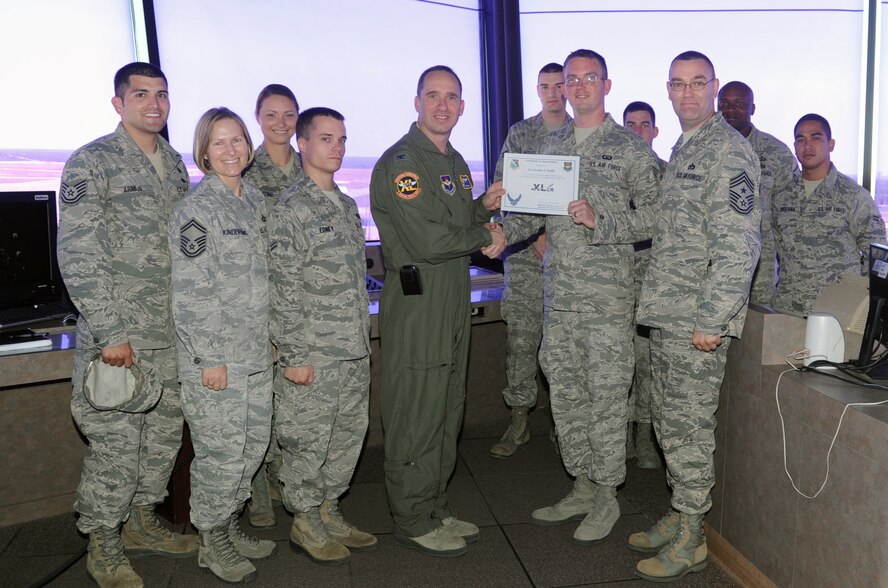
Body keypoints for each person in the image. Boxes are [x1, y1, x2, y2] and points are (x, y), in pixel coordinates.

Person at [502, 49, 660, 546]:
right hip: (559, 301)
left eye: (589, 78)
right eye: (571, 80)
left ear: (606, 85)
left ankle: (609, 494)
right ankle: (582, 485)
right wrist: (501, 233)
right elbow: (530, 216)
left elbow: (658, 216)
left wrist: (602, 221)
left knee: (607, 400)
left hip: (608, 302)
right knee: (567, 398)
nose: (579, 86)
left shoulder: (630, 149)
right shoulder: (549, 147)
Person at [57, 61, 196, 588]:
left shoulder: (176, 165)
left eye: (162, 94)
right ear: (119, 103)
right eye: (141, 95)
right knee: (116, 447)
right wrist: (111, 332)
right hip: (121, 339)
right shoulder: (92, 163)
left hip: (172, 335)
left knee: (160, 443)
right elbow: (78, 251)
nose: (154, 104)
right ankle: (104, 543)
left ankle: (141, 523)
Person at [631, 51, 761, 582]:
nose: (688, 93)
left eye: (698, 83)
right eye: (679, 84)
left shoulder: (729, 151)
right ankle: (681, 513)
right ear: (668, 90)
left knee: (688, 430)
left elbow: (740, 247)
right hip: (669, 313)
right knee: (668, 421)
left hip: (695, 322)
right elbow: (666, 225)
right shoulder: (686, 147)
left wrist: (712, 318)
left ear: (713, 88)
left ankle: (693, 538)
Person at [370, 65, 505, 557]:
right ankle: (410, 517)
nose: (443, 105)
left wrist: (483, 208)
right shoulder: (403, 163)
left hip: (450, 300)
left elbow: (455, 218)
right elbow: (429, 240)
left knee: (447, 407)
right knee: (415, 413)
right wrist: (484, 238)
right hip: (419, 302)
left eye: (452, 97)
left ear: (463, 106)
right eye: (434, 96)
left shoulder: (453, 162)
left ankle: (433, 504)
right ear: (417, 102)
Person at [170, 107, 276, 584]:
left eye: (237, 140)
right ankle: (212, 542)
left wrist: (273, 340)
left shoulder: (256, 202)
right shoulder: (196, 211)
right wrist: (210, 359)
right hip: (216, 360)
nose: (231, 150)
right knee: (220, 453)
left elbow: (267, 280)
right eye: (219, 143)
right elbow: (191, 292)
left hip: (256, 353)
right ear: (204, 153)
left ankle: (229, 527)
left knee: (252, 448)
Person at [268, 107, 376, 565]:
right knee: (307, 439)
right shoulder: (290, 208)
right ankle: (305, 520)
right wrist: (293, 353)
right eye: (326, 139)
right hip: (311, 351)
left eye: (342, 140)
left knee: (347, 435)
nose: (336, 148)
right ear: (303, 144)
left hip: (350, 348)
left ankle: (329, 510)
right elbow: (283, 287)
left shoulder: (347, 205)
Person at [490, 62, 571, 458]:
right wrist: (537, 235)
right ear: (537, 90)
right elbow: (506, 192)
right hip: (524, 255)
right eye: (545, 87)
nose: (553, 94)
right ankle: (519, 419)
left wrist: (551, 237)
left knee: (563, 345)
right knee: (521, 339)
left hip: (570, 258)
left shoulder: (581, 135)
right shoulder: (520, 134)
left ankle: (563, 422)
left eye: (559, 86)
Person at [242, 83, 301, 529]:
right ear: (258, 118)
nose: (281, 124)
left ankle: (285, 478)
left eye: (288, 115)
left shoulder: (309, 167)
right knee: (260, 403)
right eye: (271, 115)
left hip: (299, 305)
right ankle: (258, 491)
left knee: (293, 401)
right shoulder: (243, 171)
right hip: (259, 304)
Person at [771, 113, 886, 315]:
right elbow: (776, 251)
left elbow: (875, 255)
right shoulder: (782, 197)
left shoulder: (853, 196)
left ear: (830, 144)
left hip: (837, 311)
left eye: (816, 138)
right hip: (788, 309)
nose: (807, 146)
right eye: (801, 139)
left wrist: (868, 309)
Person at [718, 81, 799, 305]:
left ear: (753, 109)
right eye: (723, 103)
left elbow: (791, 214)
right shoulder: (703, 149)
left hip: (760, 271)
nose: (730, 110)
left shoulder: (776, 152)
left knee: (756, 336)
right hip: (712, 264)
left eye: (739, 104)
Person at [622, 101, 666, 471]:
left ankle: (645, 436)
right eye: (630, 125)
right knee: (619, 363)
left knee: (649, 364)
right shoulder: (610, 177)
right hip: (616, 285)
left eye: (644, 125)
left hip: (655, 286)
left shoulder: (670, 176)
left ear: (655, 131)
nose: (638, 132)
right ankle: (620, 433)